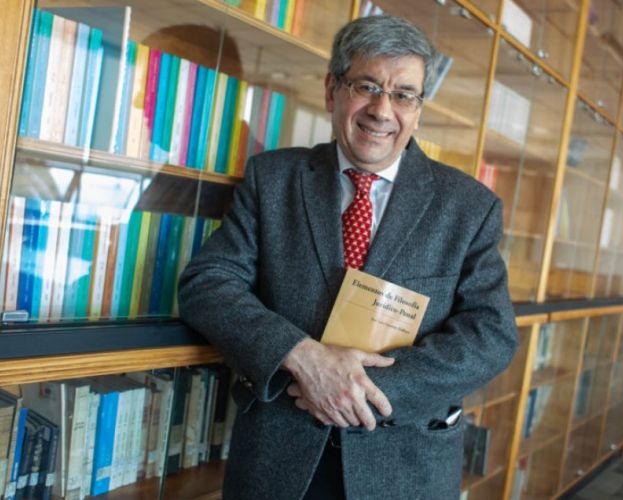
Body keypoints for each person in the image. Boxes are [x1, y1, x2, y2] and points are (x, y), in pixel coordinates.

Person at [178, 14, 518, 500]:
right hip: (278, 455)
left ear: (418, 110)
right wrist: (302, 356)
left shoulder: (468, 207)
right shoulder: (272, 178)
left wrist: (361, 390)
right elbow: (208, 283)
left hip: (403, 462)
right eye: (367, 86)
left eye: (404, 94)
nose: (382, 110)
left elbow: (490, 333)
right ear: (332, 90)